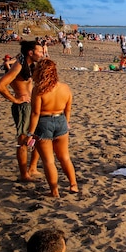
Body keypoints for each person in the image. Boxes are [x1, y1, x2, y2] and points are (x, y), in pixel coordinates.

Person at [27, 59, 79, 197]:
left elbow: (35, 113)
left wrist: (30, 132)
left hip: (44, 122)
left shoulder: (38, 90)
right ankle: (73, 184)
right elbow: (68, 109)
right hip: (61, 120)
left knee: (49, 161)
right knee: (65, 157)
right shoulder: (65, 88)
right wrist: (66, 123)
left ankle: (54, 191)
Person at [0, 40, 44, 181]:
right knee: (23, 139)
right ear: (31, 52)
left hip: (32, 106)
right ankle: (24, 174)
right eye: (39, 51)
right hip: (23, 107)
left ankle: (33, 168)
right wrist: (15, 99)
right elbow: (0, 85)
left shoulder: (29, 65)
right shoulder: (18, 65)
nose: (42, 53)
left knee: (38, 137)